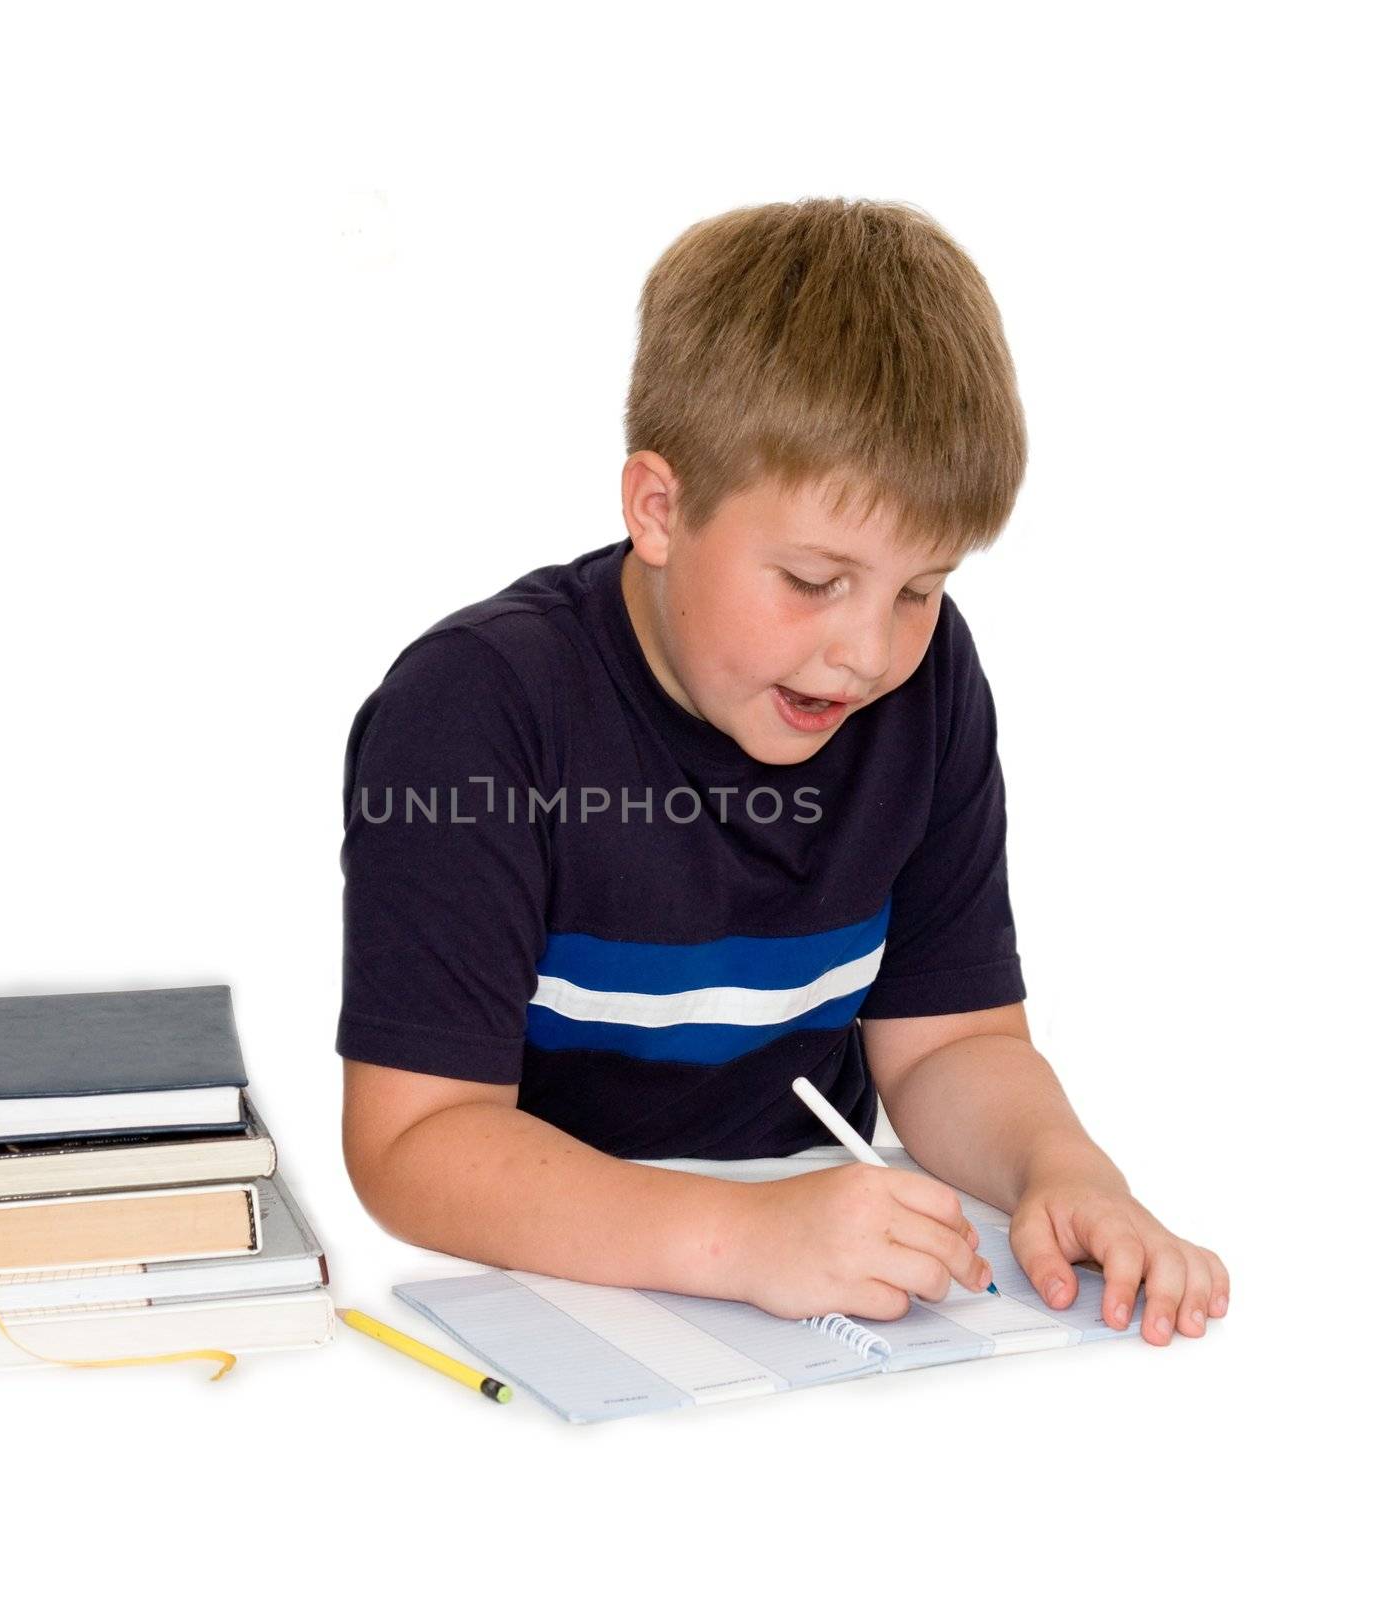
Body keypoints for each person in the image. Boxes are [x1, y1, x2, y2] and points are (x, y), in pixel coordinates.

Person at [334, 197, 1229, 1343]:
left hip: (829, 1300)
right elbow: (416, 1143)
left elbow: (953, 1041)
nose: (866, 653)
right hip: (568, 1292)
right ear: (659, 508)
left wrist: (1064, 1169)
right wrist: (742, 1239)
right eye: (812, 579)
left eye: (920, 588)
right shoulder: (473, 711)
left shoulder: (927, 682)